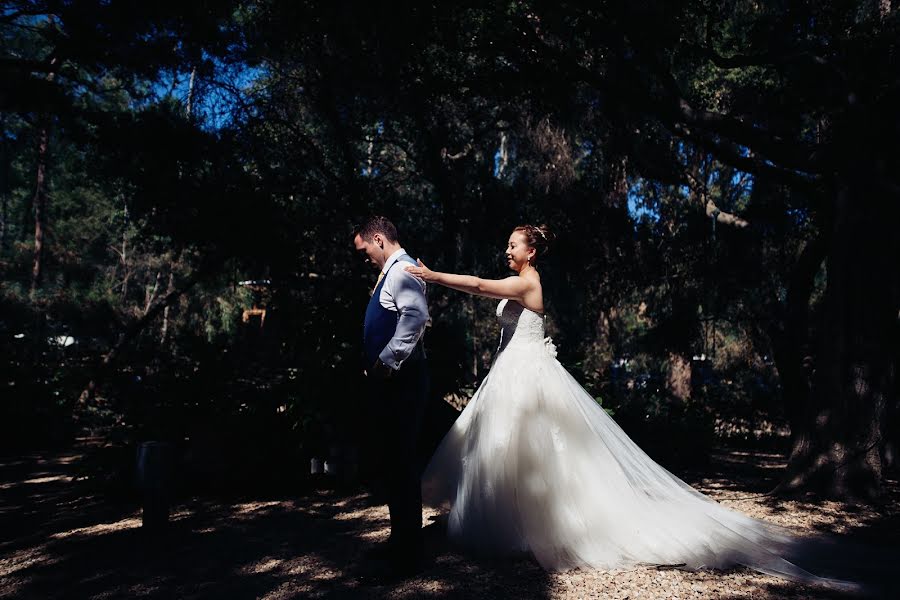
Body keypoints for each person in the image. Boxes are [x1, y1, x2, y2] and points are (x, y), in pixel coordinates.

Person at [405, 224, 861, 591]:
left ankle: (548, 528)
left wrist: (434, 276)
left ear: (531, 253)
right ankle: (516, 525)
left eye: (513, 245)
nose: (507, 250)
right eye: (506, 244)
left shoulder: (528, 283)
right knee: (504, 451)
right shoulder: (519, 280)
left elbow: (482, 285)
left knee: (535, 452)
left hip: (528, 376)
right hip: (509, 373)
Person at [352, 216, 429, 579]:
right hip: (390, 382)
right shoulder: (391, 271)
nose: (365, 258)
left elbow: (414, 318)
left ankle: (408, 553)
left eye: (365, 250)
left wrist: (385, 364)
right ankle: (400, 539)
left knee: (402, 461)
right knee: (392, 461)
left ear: (379, 240)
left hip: (403, 380)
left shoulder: (403, 271)